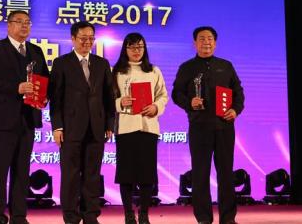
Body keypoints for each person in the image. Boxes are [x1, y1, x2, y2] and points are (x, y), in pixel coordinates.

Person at [0, 10, 50, 224]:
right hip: (2, 120)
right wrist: (16, 88)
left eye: (27, 22)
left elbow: (45, 80)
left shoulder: (36, 51)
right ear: (8, 25)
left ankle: (19, 216)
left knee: (22, 171)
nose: (24, 26)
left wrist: (44, 96)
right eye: (19, 22)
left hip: (28, 118)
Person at [171, 26, 245, 224]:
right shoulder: (187, 67)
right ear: (195, 43)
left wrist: (235, 110)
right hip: (199, 127)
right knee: (200, 174)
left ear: (215, 42)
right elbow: (176, 94)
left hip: (224, 127)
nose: (206, 42)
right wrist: (189, 103)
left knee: (226, 174)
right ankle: (203, 218)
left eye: (210, 38)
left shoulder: (226, 66)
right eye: (202, 39)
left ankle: (228, 218)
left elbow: (238, 92)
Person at [49, 21, 116, 224]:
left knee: (92, 175)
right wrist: (57, 126)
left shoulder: (102, 64)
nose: (87, 42)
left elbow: (109, 97)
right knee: (70, 176)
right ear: (73, 39)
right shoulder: (61, 63)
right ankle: (71, 216)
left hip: (96, 128)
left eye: (91, 38)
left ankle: (90, 215)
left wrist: (109, 124)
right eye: (83, 38)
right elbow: (56, 99)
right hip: (70, 129)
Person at [112, 33, 168, 224]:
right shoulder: (116, 71)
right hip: (125, 127)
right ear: (125, 49)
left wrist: (156, 107)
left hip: (148, 127)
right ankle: (128, 214)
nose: (136, 51)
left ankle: (144, 214)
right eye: (132, 47)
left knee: (147, 174)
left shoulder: (153, 71)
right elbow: (107, 99)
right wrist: (120, 102)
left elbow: (163, 95)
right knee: (126, 174)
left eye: (140, 47)